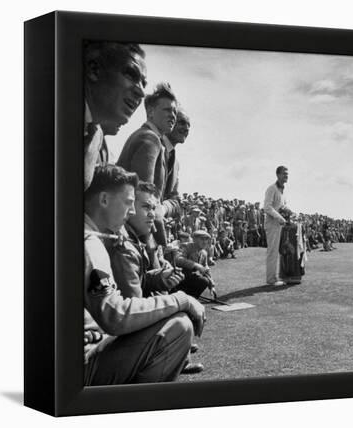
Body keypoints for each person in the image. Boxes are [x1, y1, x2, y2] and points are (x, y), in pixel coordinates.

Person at [83, 165, 206, 385]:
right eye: (129, 203)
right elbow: (116, 315)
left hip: (86, 346)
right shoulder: (89, 243)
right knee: (179, 327)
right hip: (79, 369)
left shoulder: (88, 233)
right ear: (104, 199)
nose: (131, 212)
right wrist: (182, 300)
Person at [117, 82, 179, 245]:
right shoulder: (150, 140)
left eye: (174, 111)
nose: (173, 115)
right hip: (135, 235)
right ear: (150, 112)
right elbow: (145, 202)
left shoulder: (148, 137)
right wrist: (161, 248)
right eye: (167, 110)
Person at [83, 42, 147, 190]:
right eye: (131, 75)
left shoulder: (94, 132)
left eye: (144, 83)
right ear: (94, 70)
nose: (142, 92)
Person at [263, 166, 289, 286]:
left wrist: (292, 214)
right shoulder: (271, 189)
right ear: (277, 174)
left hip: (280, 225)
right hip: (272, 225)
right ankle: (271, 279)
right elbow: (267, 207)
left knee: (279, 251)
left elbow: (283, 207)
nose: (286, 176)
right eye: (284, 174)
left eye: (287, 174)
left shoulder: (282, 191)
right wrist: (280, 218)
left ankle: (276, 276)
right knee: (272, 251)